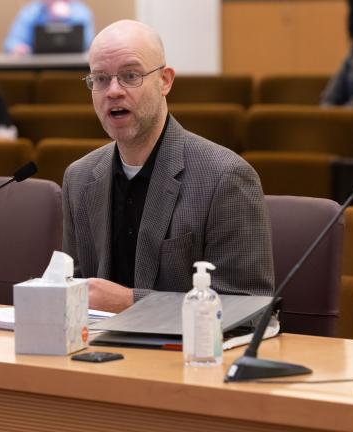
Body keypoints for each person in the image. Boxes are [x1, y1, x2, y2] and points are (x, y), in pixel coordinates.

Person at [62, 20, 274, 313]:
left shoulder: (226, 176)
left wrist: (129, 303)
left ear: (165, 81)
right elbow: (74, 289)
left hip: (182, 355)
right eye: (100, 79)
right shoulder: (79, 177)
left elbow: (248, 307)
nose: (113, 91)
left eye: (130, 75)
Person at [4, 0, 94, 55]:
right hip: (37, 68)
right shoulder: (30, 12)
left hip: (73, 70)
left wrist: (67, 18)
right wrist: (18, 48)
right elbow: (11, 42)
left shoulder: (81, 11)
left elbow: (88, 44)